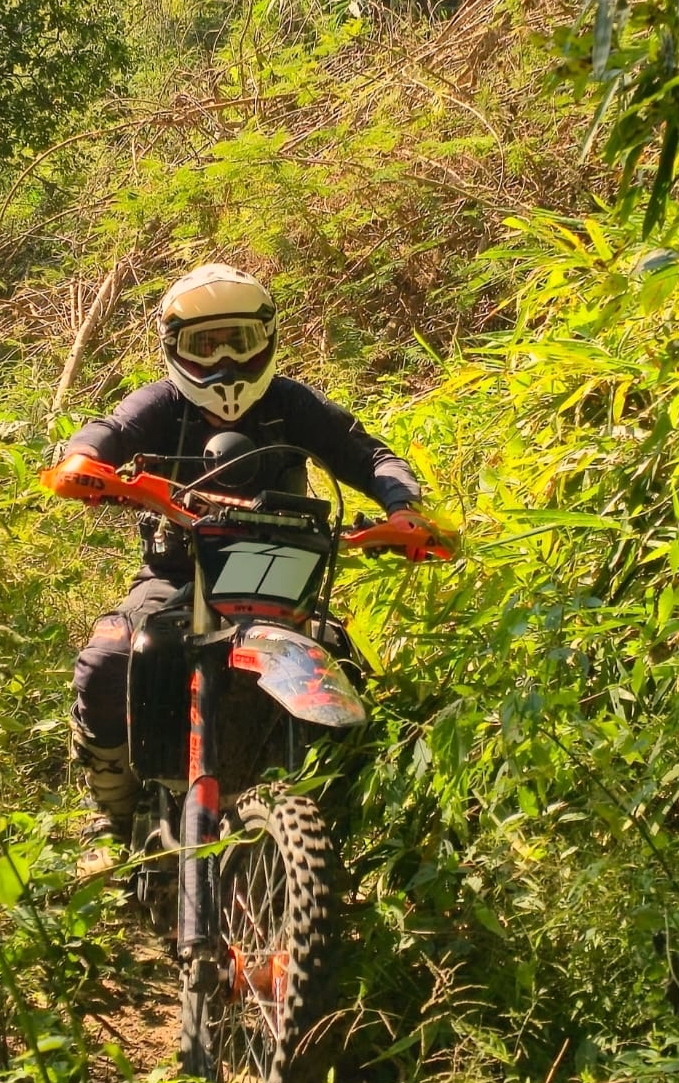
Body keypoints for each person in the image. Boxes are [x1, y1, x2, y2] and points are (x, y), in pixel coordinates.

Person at [55, 262, 455, 836]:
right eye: (206, 346)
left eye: (239, 342)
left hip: (281, 580)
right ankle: (115, 817)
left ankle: (346, 829)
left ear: (266, 339)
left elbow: (368, 456)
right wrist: (85, 461)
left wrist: (404, 509)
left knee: (348, 673)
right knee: (109, 659)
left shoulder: (291, 403)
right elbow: (111, 430)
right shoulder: (162, 404)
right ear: (174, 347)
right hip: (179, 573)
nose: (225, 362)